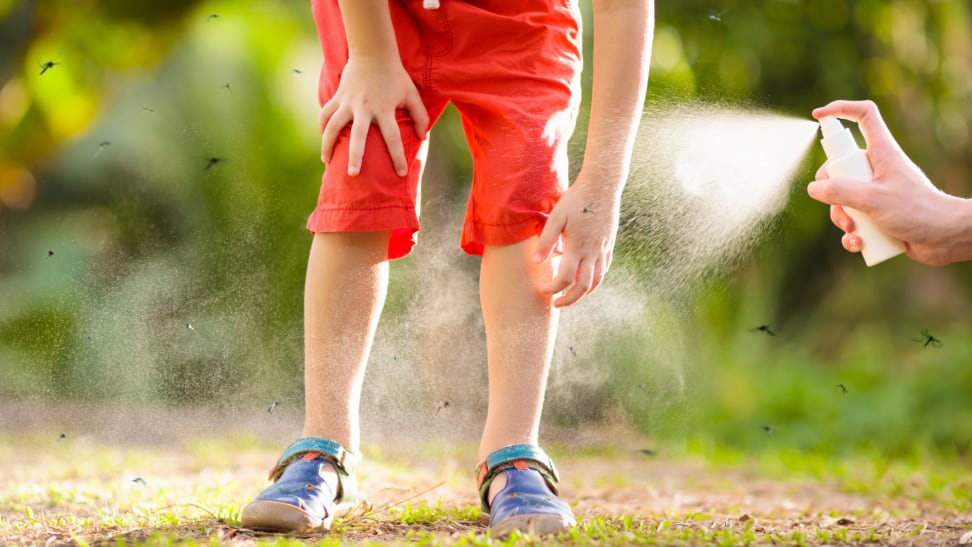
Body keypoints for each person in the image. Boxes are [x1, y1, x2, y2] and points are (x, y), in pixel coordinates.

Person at [240, 0, 654, 538]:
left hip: (523, 22)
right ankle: (324, 448)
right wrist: (370, 55)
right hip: (383, 15)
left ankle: (513, 455)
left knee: (527, 197)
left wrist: (602, 183)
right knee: (361, 167)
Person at [807, 100, 972, 266]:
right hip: (928, 243)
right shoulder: (846, 163)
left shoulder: (855, 159)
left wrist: (938, 224)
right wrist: (943, 235)